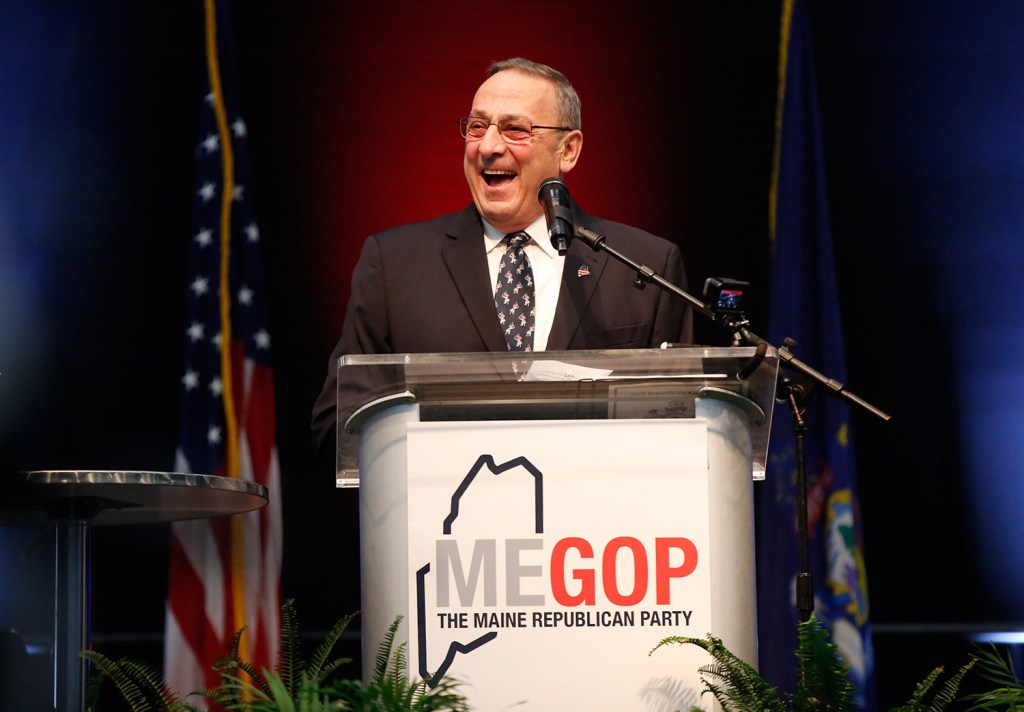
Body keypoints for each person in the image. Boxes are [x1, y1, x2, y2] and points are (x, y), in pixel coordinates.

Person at [312, 57, 693, 473]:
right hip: (444, 523)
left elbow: (683, 430)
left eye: (515, 129)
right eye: (477, 127)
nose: (489, 146)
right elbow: (336, 427)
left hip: (594, 532)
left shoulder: (643, 266)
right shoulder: (394, 265)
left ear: (568, 150)